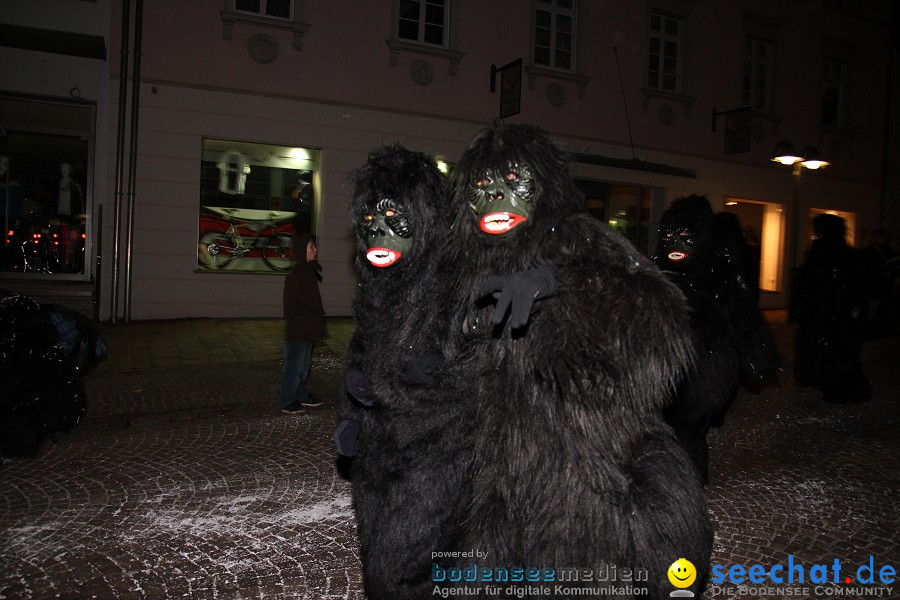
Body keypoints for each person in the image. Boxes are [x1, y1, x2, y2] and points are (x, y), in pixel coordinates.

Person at [794, 214, 871, 403]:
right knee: (824, 347)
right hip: (825, 311)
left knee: (834, 350)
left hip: (832, 312)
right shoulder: (826, 252)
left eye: (820, 230)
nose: (817, 234)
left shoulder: (835, 254)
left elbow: (852, 286)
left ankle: (835, 384)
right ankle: (819, 378)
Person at [281, 233, 326, 414]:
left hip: (308, 328)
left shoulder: (308, 271)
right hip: (299, 329)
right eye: (311, 246)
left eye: (314, 246)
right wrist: (311, 315)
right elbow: (291, 305)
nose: (315, 250)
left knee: (304, 366)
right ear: (302, 250)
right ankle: (289, 399)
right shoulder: (296, 274)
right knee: (295, 366)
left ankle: (300, 394)